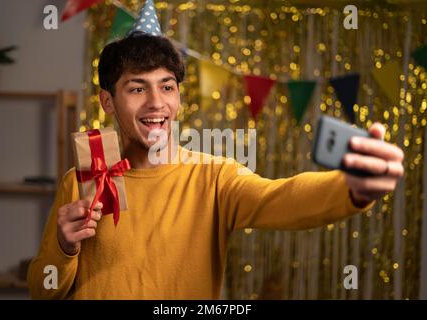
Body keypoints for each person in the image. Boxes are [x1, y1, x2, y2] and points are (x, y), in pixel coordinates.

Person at [27, 1, 404, 299]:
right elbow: (42, 292)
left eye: (167, 86)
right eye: (137, 88)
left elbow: (281, 197)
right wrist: (63, 245)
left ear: (179, 97)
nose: (156, 103)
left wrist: (351, 188)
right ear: (107, 101)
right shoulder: (80, 181)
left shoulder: (215, 177)